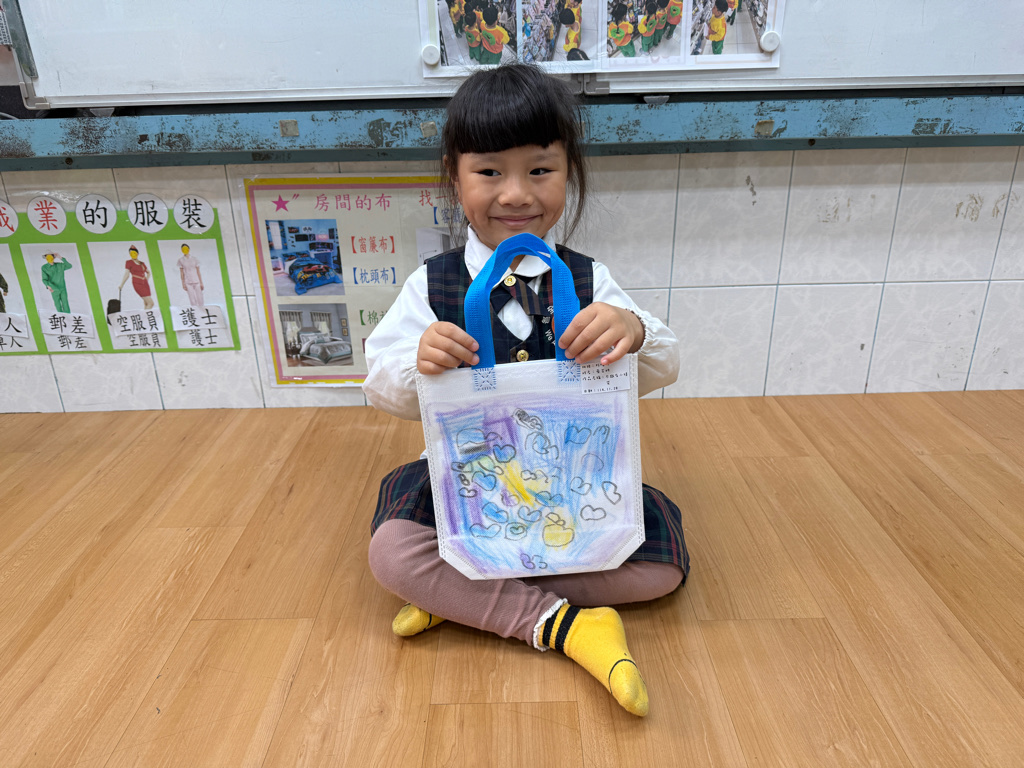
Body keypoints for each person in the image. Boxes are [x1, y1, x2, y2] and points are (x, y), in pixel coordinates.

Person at [363, 64, 689, 718]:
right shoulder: (433, 285)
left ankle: (467, 596)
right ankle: (568, 627)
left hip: (574, 482)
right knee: (391, 554)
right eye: (489, 172)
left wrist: (632, 331)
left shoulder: (590, 281)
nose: (515, 194)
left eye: (540, 170)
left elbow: (663, 365)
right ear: (455, 176)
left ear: (569, 172)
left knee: (661, 568)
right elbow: (381, 385)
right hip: (468, 481)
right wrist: (418, 364)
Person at [118, 245, 155, 311]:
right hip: (137, 283)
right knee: (151, 303)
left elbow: (148, 272)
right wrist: (121, 285)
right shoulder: (129, 262)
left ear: (137, 253)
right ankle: (145, 316)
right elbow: (127, 274)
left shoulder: (142, 263)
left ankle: (145, 316)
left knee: (146, 303)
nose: (133, 254)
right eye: (131, 253)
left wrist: (146, 280)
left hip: (145, 284)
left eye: (134, 253)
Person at [177, 243, 205, 308]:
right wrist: (183, 284)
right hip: (187, 282)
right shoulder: (180, 260)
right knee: (192, 299)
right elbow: (181, 273)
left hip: (196, 280)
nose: (185, 250)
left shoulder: (195, 259)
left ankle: (202, 310)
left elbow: (198, 271)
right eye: (183, 249)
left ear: (189, 249)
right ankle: (195, 311)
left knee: (200, 297)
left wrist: (201, 282)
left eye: (186, 249)